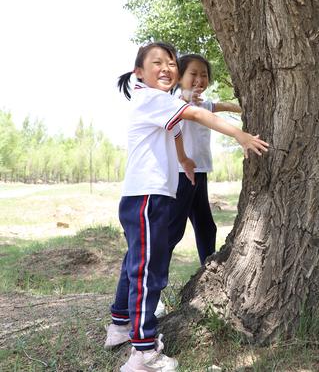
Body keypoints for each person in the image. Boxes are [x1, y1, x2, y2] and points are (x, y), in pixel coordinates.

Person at [104, 42, 268, 372]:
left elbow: (176, 129)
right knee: (148, 270)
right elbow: (194, 114)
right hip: (148, 197)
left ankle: (120, 325)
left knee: (140, 261)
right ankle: (143, 353)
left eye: (170, 63)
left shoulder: (156, 101)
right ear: (140, 72)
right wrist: (240, 134)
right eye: (156, 63)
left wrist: (183, 158)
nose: (166, 68)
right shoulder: (151, 98)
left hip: (150, 196)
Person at [166, 54, 241, 266]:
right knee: (172, 230)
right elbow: (178, 109)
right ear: (179, 77)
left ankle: (207, 271)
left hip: (200, 174)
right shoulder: (175, 103)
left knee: (206, 226)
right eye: (193, 74)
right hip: (182, 175)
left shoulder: (204, 105)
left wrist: (243, 107)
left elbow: (221, 106)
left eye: (204, 75)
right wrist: (186, 97)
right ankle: (151, 280)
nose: (199, 79)